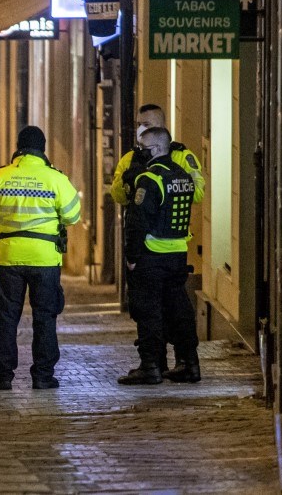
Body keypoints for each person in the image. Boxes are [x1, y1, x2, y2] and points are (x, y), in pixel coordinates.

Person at [0, 126, 81, 390]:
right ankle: (43, 376)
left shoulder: (0, 176)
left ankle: (3, 377)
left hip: (9, 257)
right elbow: (72, 216)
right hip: (45, 259)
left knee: (6, 317)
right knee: (45, 317)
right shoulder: (55, 178)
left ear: (18, 147)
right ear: (43, 148)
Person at [110, 103, 203, 371]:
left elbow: (196, 192)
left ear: (162, 127)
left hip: (153, 247)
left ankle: (156, 364)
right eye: (139, 123)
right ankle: (166, 362)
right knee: (161, 308)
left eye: (147, 124)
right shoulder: (131, 158)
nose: (141, 128)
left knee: (156, 309)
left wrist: (154, 178)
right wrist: (133, 178)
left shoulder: (181, 157)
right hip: (169, 249)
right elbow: (118, 194)